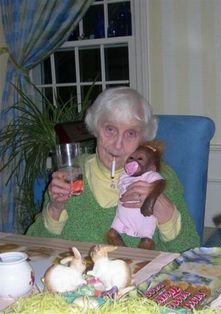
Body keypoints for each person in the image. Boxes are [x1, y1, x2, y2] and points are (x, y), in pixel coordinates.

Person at [27, 87, 200, 252]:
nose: (118, 145)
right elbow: (35, 247)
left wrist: (165, 212)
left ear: (143, 138)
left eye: (130, 133)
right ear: (95, 128)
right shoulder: (71, 173)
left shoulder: (160, 178)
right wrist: (55, 208)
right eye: (110, 129)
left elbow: (189, 251)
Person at [107, 140, 166, 250]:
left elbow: (160, 184)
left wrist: (149, 202)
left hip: (144, 217)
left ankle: (141, 256)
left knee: (147, 241)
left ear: (152, 167)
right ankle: (125, 254)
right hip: (122, 215)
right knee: (112, 234)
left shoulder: (150, 175)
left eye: (140, 159)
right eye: (131, 158)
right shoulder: (124, 175)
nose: (133, 161)